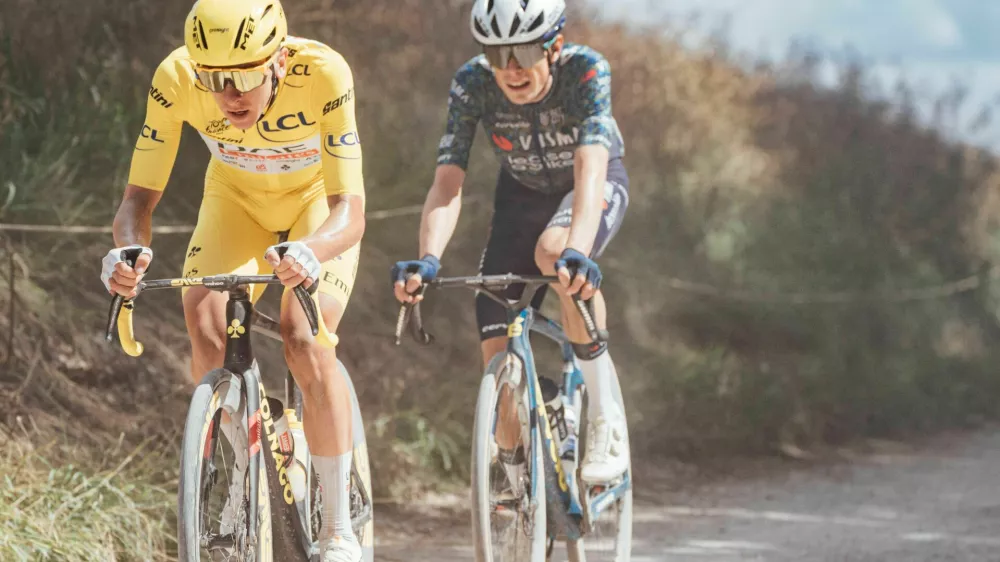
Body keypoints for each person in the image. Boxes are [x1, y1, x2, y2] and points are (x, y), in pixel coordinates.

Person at [99, 0, 366, 560]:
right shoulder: (174, 78)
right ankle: (241, 477)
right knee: (204, 323)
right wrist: (127, 248)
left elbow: (351, 209)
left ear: (278, 60)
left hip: (316, 206)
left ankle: (339, 525)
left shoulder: (324, 73)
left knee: (301, 335)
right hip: (235, 200)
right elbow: (137, 200)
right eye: (213, 80)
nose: (229, 96)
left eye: (243, 76)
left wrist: (312, 252)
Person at [391, 0, 630, 486]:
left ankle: (606, 419)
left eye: (522, 51)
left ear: (553, 45)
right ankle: (516, 469)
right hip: (520, 194)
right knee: (491, 309)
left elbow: (589, 169)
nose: (511, 68)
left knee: (554, 255)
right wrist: (429, 257)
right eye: (497, 54)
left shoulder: (585, 71)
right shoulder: (472, 82)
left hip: (589, 186)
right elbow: (447, 182)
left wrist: (577, 250)